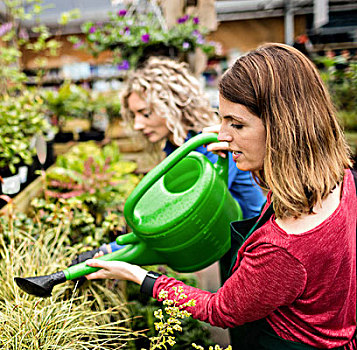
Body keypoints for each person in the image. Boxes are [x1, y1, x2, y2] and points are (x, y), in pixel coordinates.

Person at [85, 43, 357, 349]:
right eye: (223, 119)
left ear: (283, 129)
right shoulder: (341, 179)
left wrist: (141, 277)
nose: (221, 135)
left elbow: (220, 309)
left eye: (237, 124)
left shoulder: (281, 247)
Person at [72, 57, 265, 262]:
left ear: (171, 107)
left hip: (254, 239)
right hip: (227, 239)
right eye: (134, 115)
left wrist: (111, 251)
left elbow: (183, 212)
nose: (137, 124)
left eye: (145, 114)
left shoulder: (212, 145)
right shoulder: (175, 147)